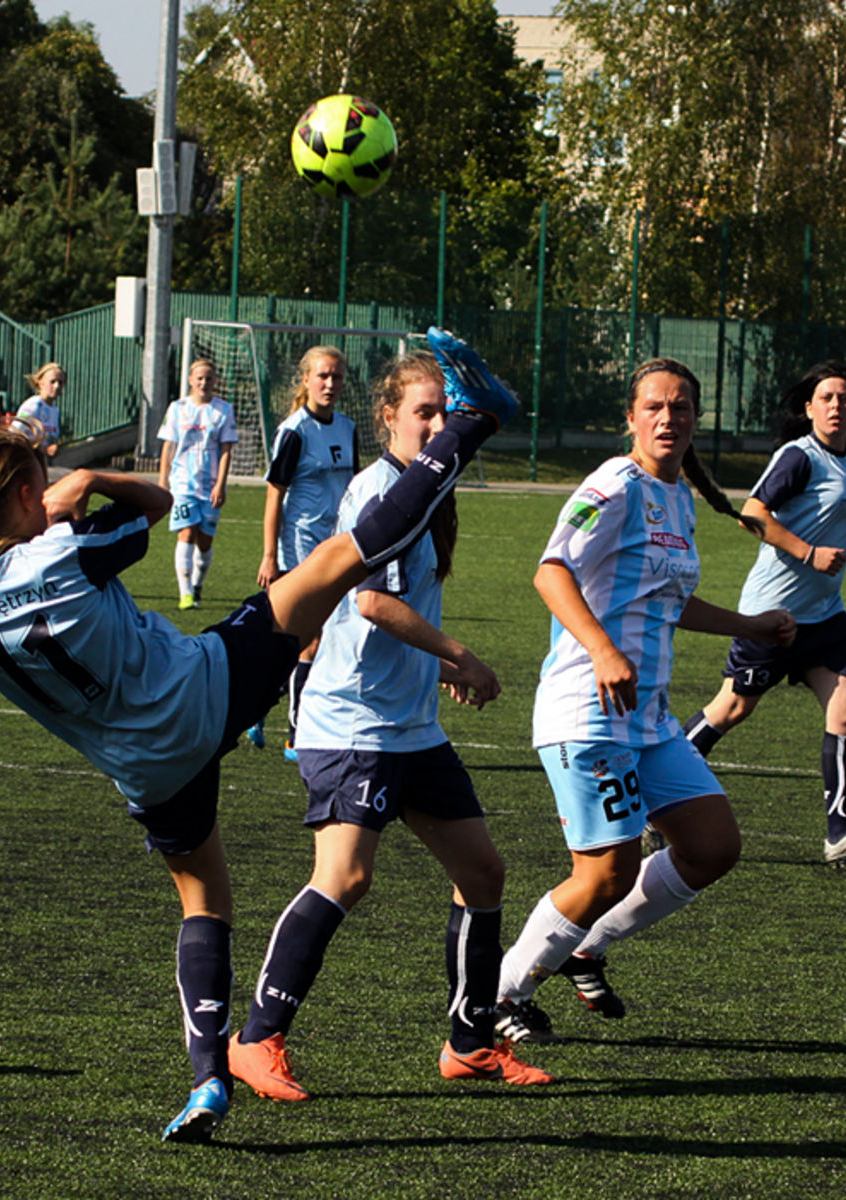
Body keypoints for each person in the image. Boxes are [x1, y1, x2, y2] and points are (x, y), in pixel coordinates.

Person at [0, 326, 516, 1143]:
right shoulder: (63, 554)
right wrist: (91, 480)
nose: (54, 486)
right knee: (341, 559)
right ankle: (474, 424)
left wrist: (34, 514)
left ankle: (207, 1080)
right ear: (27, 497)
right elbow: (157, 509)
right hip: (206, 685)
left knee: (205, 903)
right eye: (42, 480)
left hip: (146, 769)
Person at [229, 351, 550, 1104]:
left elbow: (377, 619)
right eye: (423, 413)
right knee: (345, 877)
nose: (437, 426)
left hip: (408, 725)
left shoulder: (431, 495)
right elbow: (371, 603)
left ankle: (469, 1042)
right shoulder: (381, 492)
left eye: (445, 412)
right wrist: (459, 655)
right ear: (388, 420)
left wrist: (437, 670)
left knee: (482, 872)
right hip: (350, 725)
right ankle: (255, 1038)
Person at [492, 358, 794, 1046]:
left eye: (681, 407)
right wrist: (601, 649)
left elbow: (668, 597)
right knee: (605, 871)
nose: (668, 418)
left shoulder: (679, 497)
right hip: (587, 709)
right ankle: (500, 994)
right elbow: (550, 571)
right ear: (630, 418)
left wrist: (750, 625)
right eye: (653, 407)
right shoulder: (613, 484)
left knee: (712, 845)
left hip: (649, 721)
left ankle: (584, 947)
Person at [680, 360, 846, 868]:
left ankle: (840, 834)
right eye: (826, 398)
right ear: (809, 408)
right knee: (732, 709)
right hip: (773, 615)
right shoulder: (799, 457)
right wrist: (808, 553)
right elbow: (752, 514)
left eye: (845, 399)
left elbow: (832, 519)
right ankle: (652, 797)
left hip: (826, 616)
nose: (836, 406)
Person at [252, 346, 357, 757]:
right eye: (322, 376)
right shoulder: (295, 431)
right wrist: (268, 556)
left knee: (308, 640)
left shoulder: (347, 428)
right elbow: (274, 497)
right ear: (307, 380)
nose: (329, 384)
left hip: (338, 547)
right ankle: (298, 733)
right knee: (309, 638)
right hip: (300, 548)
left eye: (336, 377)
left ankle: (256, 705)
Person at [157, 358, 238, 611]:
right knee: (187, 533)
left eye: (209, 378)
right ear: (191, 380)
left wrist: (221, 484)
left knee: (205, 542)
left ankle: (197, 584)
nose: (204, 382)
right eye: (199, 378)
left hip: (210, 484)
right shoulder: (177, 408)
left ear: (215, 381)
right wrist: (163, 481)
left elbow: (226, 449)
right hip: (182, 483)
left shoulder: (223, 410)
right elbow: (168, 446)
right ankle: (185, 594)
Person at [13, 362, 65, 459]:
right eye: (52, 382)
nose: (57, 386)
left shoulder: (55, 410)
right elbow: (15, 434)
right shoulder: (34, 405)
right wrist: (44, 449)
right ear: (41, 383)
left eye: (60, 382)